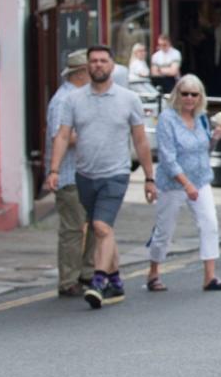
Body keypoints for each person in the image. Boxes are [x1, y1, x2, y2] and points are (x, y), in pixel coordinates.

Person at [46, 45, 157, 309]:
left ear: (111, 66)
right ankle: (116, 279)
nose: (98, 65)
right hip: (84, 175)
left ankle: (99, 281)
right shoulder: (73, 100)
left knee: (101, 228)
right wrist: (54, 170)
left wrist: (149, 178)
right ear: (86, 66)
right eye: (93, 61)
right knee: (102, 229)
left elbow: (140, 140)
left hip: (116, 174)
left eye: (103, 61)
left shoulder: (128, 99)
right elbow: (61, 135)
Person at [145, 74, 221, 292]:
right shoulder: (167, 119)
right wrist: (186, 184)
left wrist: (215, 138)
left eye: (194, 94)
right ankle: (154, 272)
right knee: (165, 229)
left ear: (200, 96)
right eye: (185, 94)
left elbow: (204, 151)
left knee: (210, 223)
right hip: (173, 184)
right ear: (177, 95)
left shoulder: (201, 117)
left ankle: (209, 276)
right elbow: (167, 157)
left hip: (201, 179)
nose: (189, 98)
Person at [45, 50, 96, 297]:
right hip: (68, 175)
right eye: (90, 69)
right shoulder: (64, 100)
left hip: (86, 173)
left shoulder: (81, 97)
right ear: (81, 73)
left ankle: (86, 273)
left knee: (93, 226)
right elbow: (60, 136)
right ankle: (68, 280)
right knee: (73, 230)